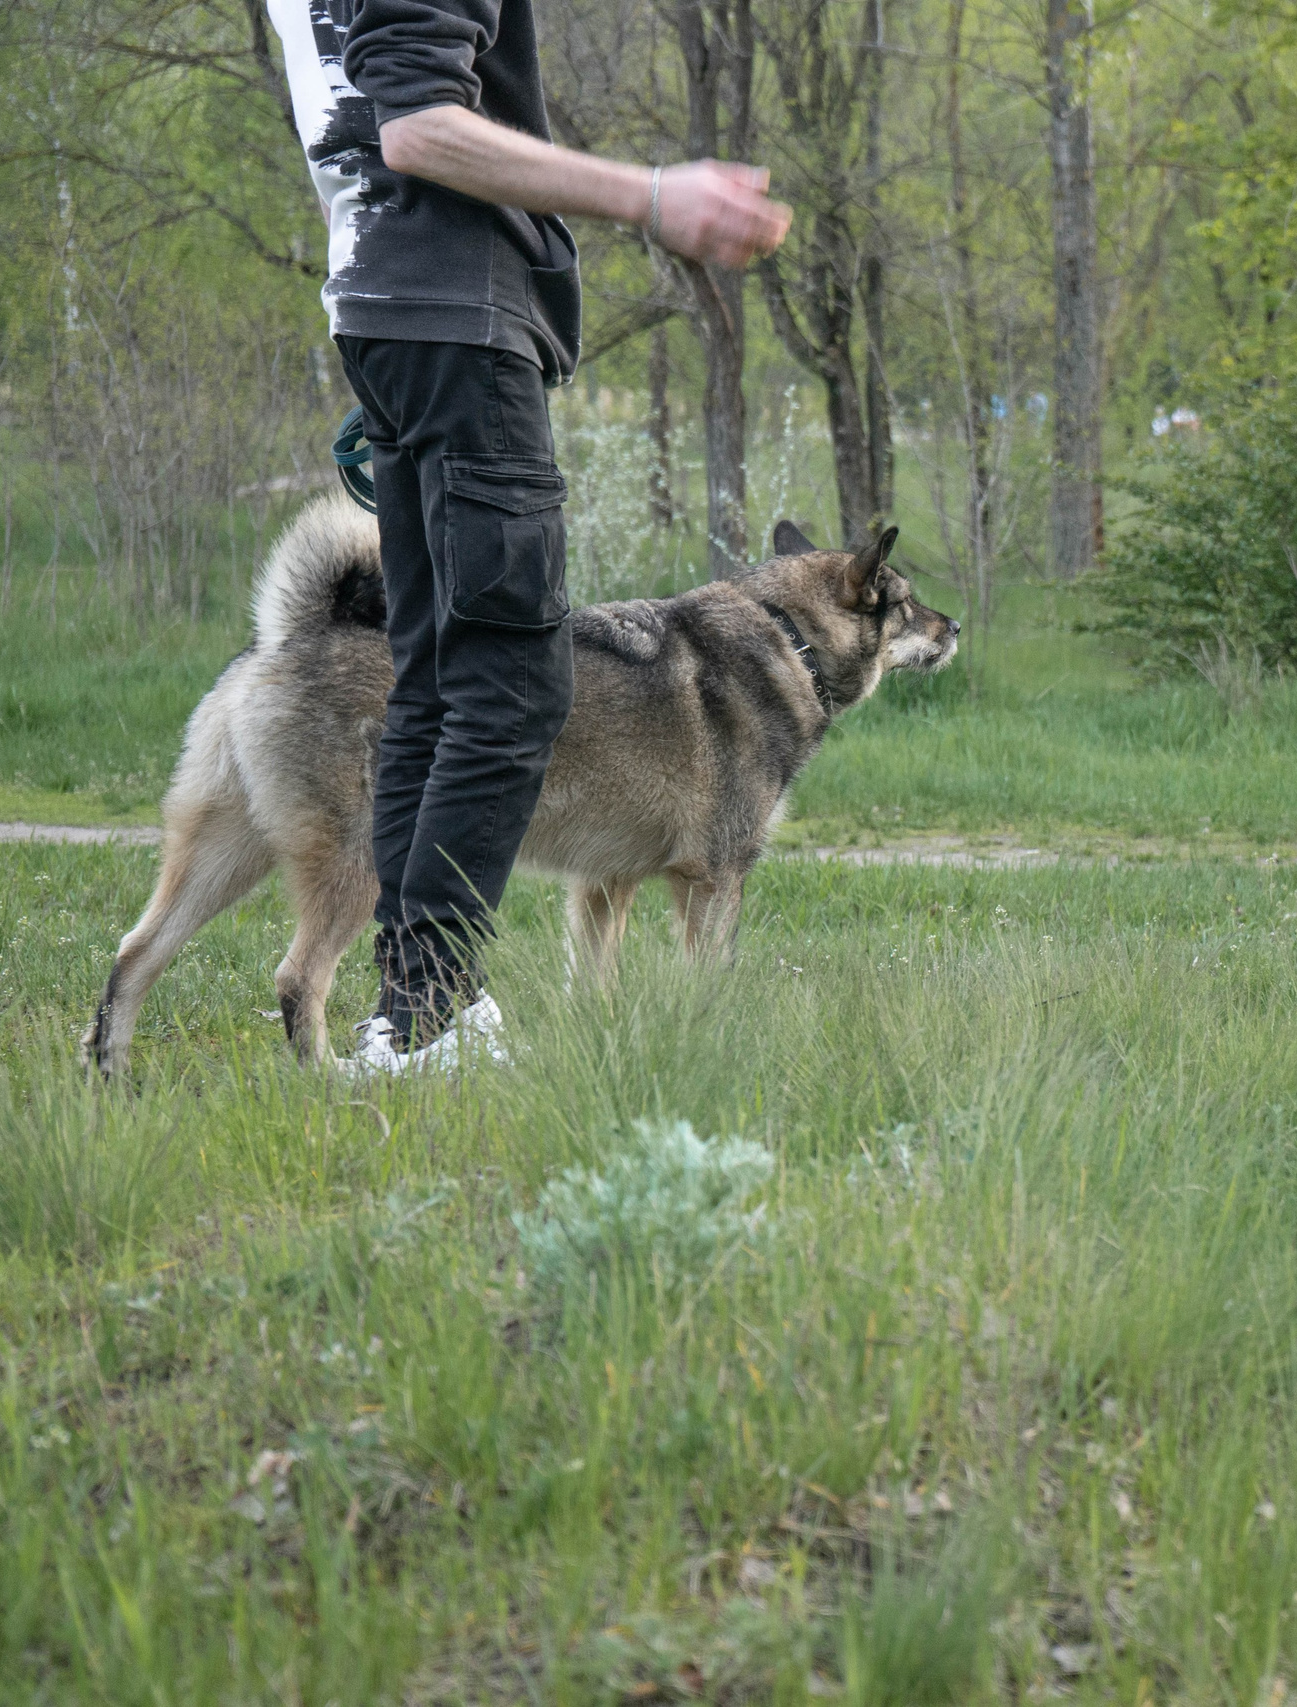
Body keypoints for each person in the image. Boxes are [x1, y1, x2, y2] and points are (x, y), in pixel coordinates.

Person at [264, 0, 794, 1070]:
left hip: (384, 304)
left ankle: (421, 1010)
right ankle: (424, 1023)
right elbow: (420, 128)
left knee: (435, 684)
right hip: (455, 318)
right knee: (509, 687)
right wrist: (652, 196)